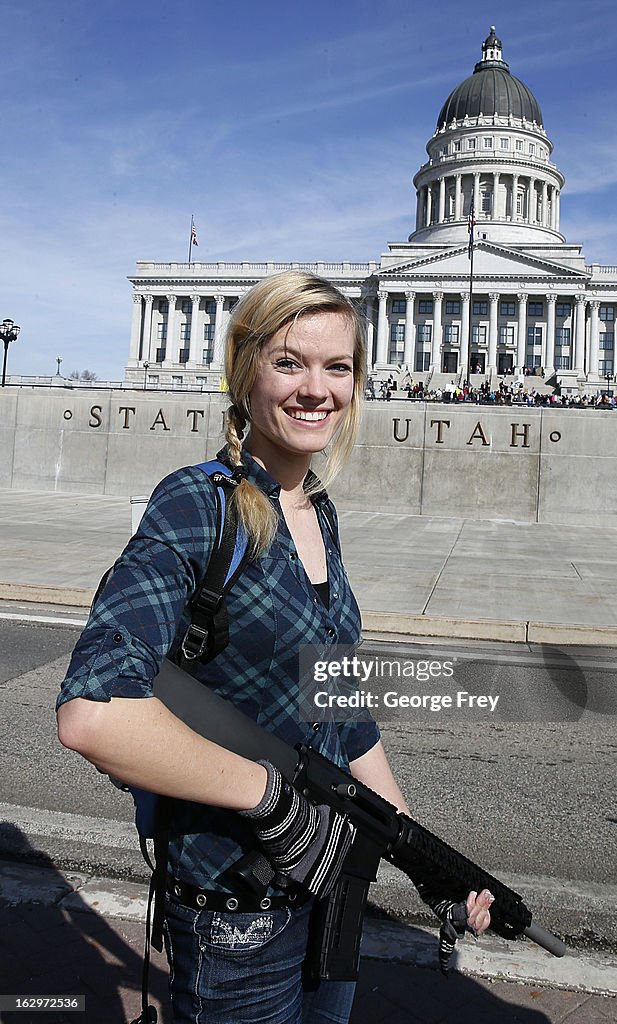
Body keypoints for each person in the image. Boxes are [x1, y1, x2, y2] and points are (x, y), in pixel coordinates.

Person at [56, 271, 493, 1024]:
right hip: (237, 908)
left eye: (338, 367)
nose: (316, 389)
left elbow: (337, 705)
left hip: (328, 897)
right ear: (244, 369)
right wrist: (270, 800)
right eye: (289, 362)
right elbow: (93, 712)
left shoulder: (315, 510)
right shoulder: (200, 504)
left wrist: (422, 859)